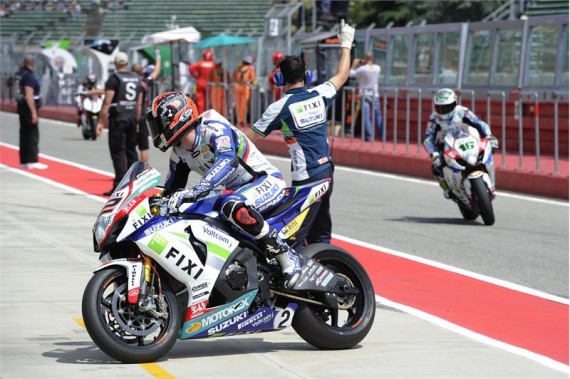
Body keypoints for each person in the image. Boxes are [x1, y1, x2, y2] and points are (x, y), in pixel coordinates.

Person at [146, 91, 303, 288]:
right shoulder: (179, 153)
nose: (155, 131)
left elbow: (227, 159)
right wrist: (152, 203)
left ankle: (286, 256)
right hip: (238, 191)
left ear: (177, 117)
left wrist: (199, 188)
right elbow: (171, 188)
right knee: (191, 213)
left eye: (158, 124)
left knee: (231, 205)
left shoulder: (212, 128)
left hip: (265, 181)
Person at [246, 19, 355, 249]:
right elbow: (342, 75)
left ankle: (295, 281)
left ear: (279, 79)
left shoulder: (279, 107)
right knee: (321, 231)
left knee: (292, 236)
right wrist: (346, 43)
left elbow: (248, 139)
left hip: (305, 180)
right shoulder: (320, 94)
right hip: (327, 173)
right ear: (307, 75)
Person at [423, 88, 499, 199]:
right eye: (439, 107)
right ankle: (447, 189)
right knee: (436, 168)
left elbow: (479, 123)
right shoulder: (434, 118)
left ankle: (491, 181)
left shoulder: (462, 111)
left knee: (487, 150)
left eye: (446, 107)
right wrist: (434, 155)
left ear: (454, 103)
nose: (442, 110)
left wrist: (489, 136)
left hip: (466, 140)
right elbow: (428, 138)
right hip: (446, 146)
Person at [96, 51, 142, 196]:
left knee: (118, 152)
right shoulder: (136, 78)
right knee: (131, 151)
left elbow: (107, 101)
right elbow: (139, 103)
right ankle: (135, 183)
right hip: (132, 117)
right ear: (127, 63)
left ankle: (119, 186)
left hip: (118, 118)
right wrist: (137, 119)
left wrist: (100, 121)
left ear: (116, 64)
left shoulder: (114, 79)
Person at [16, 54, 47, 169]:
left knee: (24, 133)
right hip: (28, 106)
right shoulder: (29, 76)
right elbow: (29, 94)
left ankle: (24, 160)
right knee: (32, 134)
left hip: (21, 105)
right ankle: (32, 160)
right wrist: (33, 112)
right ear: (33, 64)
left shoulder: (20, 74)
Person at [132, 49, 161, 163]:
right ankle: (143, 170)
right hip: (145, 115)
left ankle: (129, 170)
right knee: (143, 147)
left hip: (132, 115)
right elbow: (156, 71)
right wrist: (158, 57)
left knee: (129, 147)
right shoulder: (146, 83)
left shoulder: (130, 83)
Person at [350, 52, 383, 141]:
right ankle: (382, 135)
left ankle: (369, 136)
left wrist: (354, 63)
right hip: (374, 94)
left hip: (364, 94)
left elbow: (351, 74)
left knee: (366, 115)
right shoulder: (377, 68)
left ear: (365, 59)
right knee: (378, 115)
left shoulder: (362, 69)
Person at [189, 49, 216, 114]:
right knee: (212, 100)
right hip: (210, 84)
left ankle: (201, 114)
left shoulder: (200, 63)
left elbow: (191, 68)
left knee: (200, 101)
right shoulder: (213, 64)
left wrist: (196, 76)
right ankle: (211, 114)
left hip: (200, 82)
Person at [232, 55, 256, 127]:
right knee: (244, 105)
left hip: (236, 88)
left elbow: (233, 78)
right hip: (245, 88)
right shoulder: (250, 69)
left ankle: (238, 119)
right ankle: (242, 121)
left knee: (237, 104)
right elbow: (253, 80)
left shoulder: (237, 69)